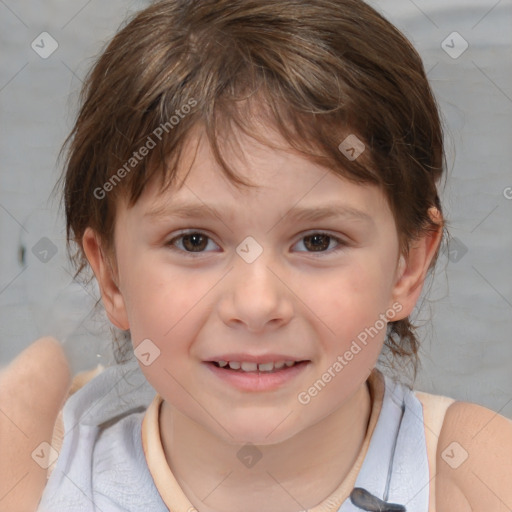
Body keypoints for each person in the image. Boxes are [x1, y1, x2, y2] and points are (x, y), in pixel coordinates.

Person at [4, 0, 511, 510]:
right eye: (194, 241)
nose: (256, 303)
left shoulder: (470, 471)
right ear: (110, 276)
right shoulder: (47, 479)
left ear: (408, 266)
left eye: (317, 241)